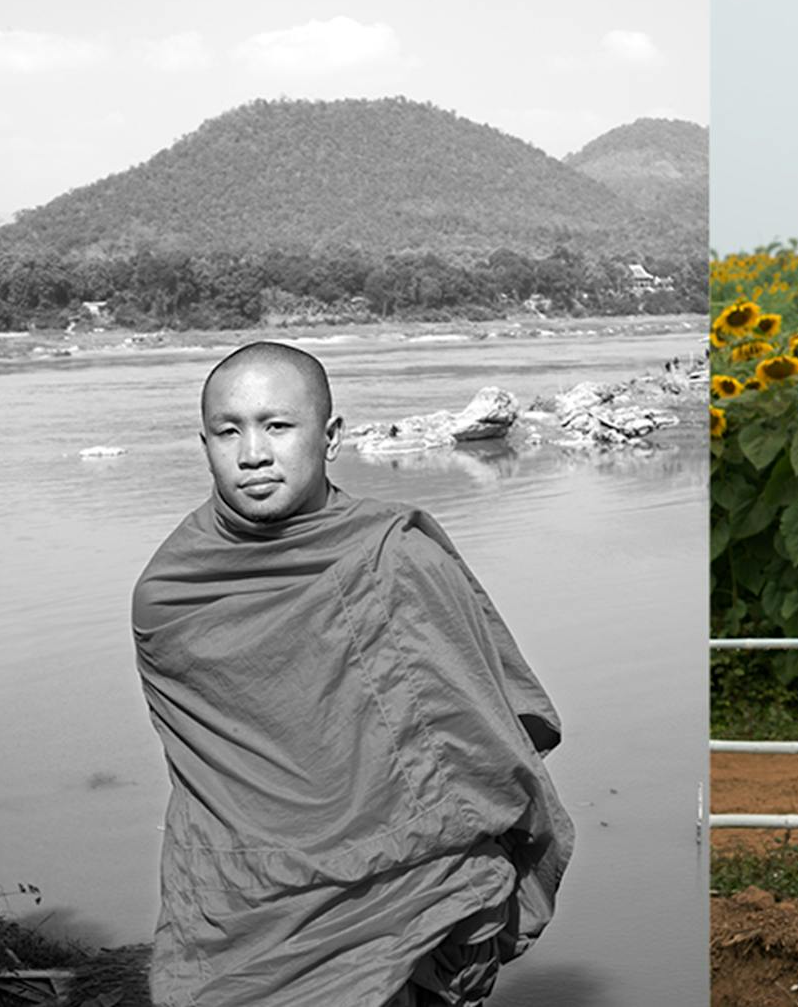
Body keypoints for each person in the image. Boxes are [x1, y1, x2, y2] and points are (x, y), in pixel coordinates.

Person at [132, 341, 573, 1007]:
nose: (253, 452)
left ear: (330, 435)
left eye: (278, 425)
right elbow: (214, 776)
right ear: (205, 444)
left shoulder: (396, 562)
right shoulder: (173, 595)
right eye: (229, 430)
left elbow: (483, 741)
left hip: (400, 904)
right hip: (242, 912)